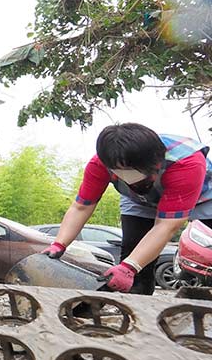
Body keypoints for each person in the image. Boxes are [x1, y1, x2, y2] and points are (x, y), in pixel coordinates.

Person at [44, 124, 212, 294]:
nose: (154, 176)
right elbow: (81, 207)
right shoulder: (101, 163)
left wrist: (130, 266)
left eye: (155, 170)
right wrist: (59, 244)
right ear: (115, 169)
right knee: (133, 263)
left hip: (203, 198)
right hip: (139, 200)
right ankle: (138, 307)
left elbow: (167, 225)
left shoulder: (186, 162)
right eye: (145, 174)